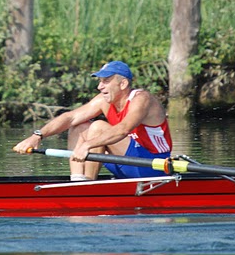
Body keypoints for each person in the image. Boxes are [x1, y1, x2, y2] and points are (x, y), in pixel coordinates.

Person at [12, 61, 172, 180]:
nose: (100, 87)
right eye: (100, 82)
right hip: (125, 162)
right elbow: (70, 117)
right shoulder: (103, 100)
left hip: (153, 166)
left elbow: (123, 129)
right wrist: (37, 136)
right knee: (78, 126)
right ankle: (77, 179)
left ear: (123, 84)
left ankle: (87, 187)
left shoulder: (142, 99)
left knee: (98, 127)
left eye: (106, 81)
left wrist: (87, 144)